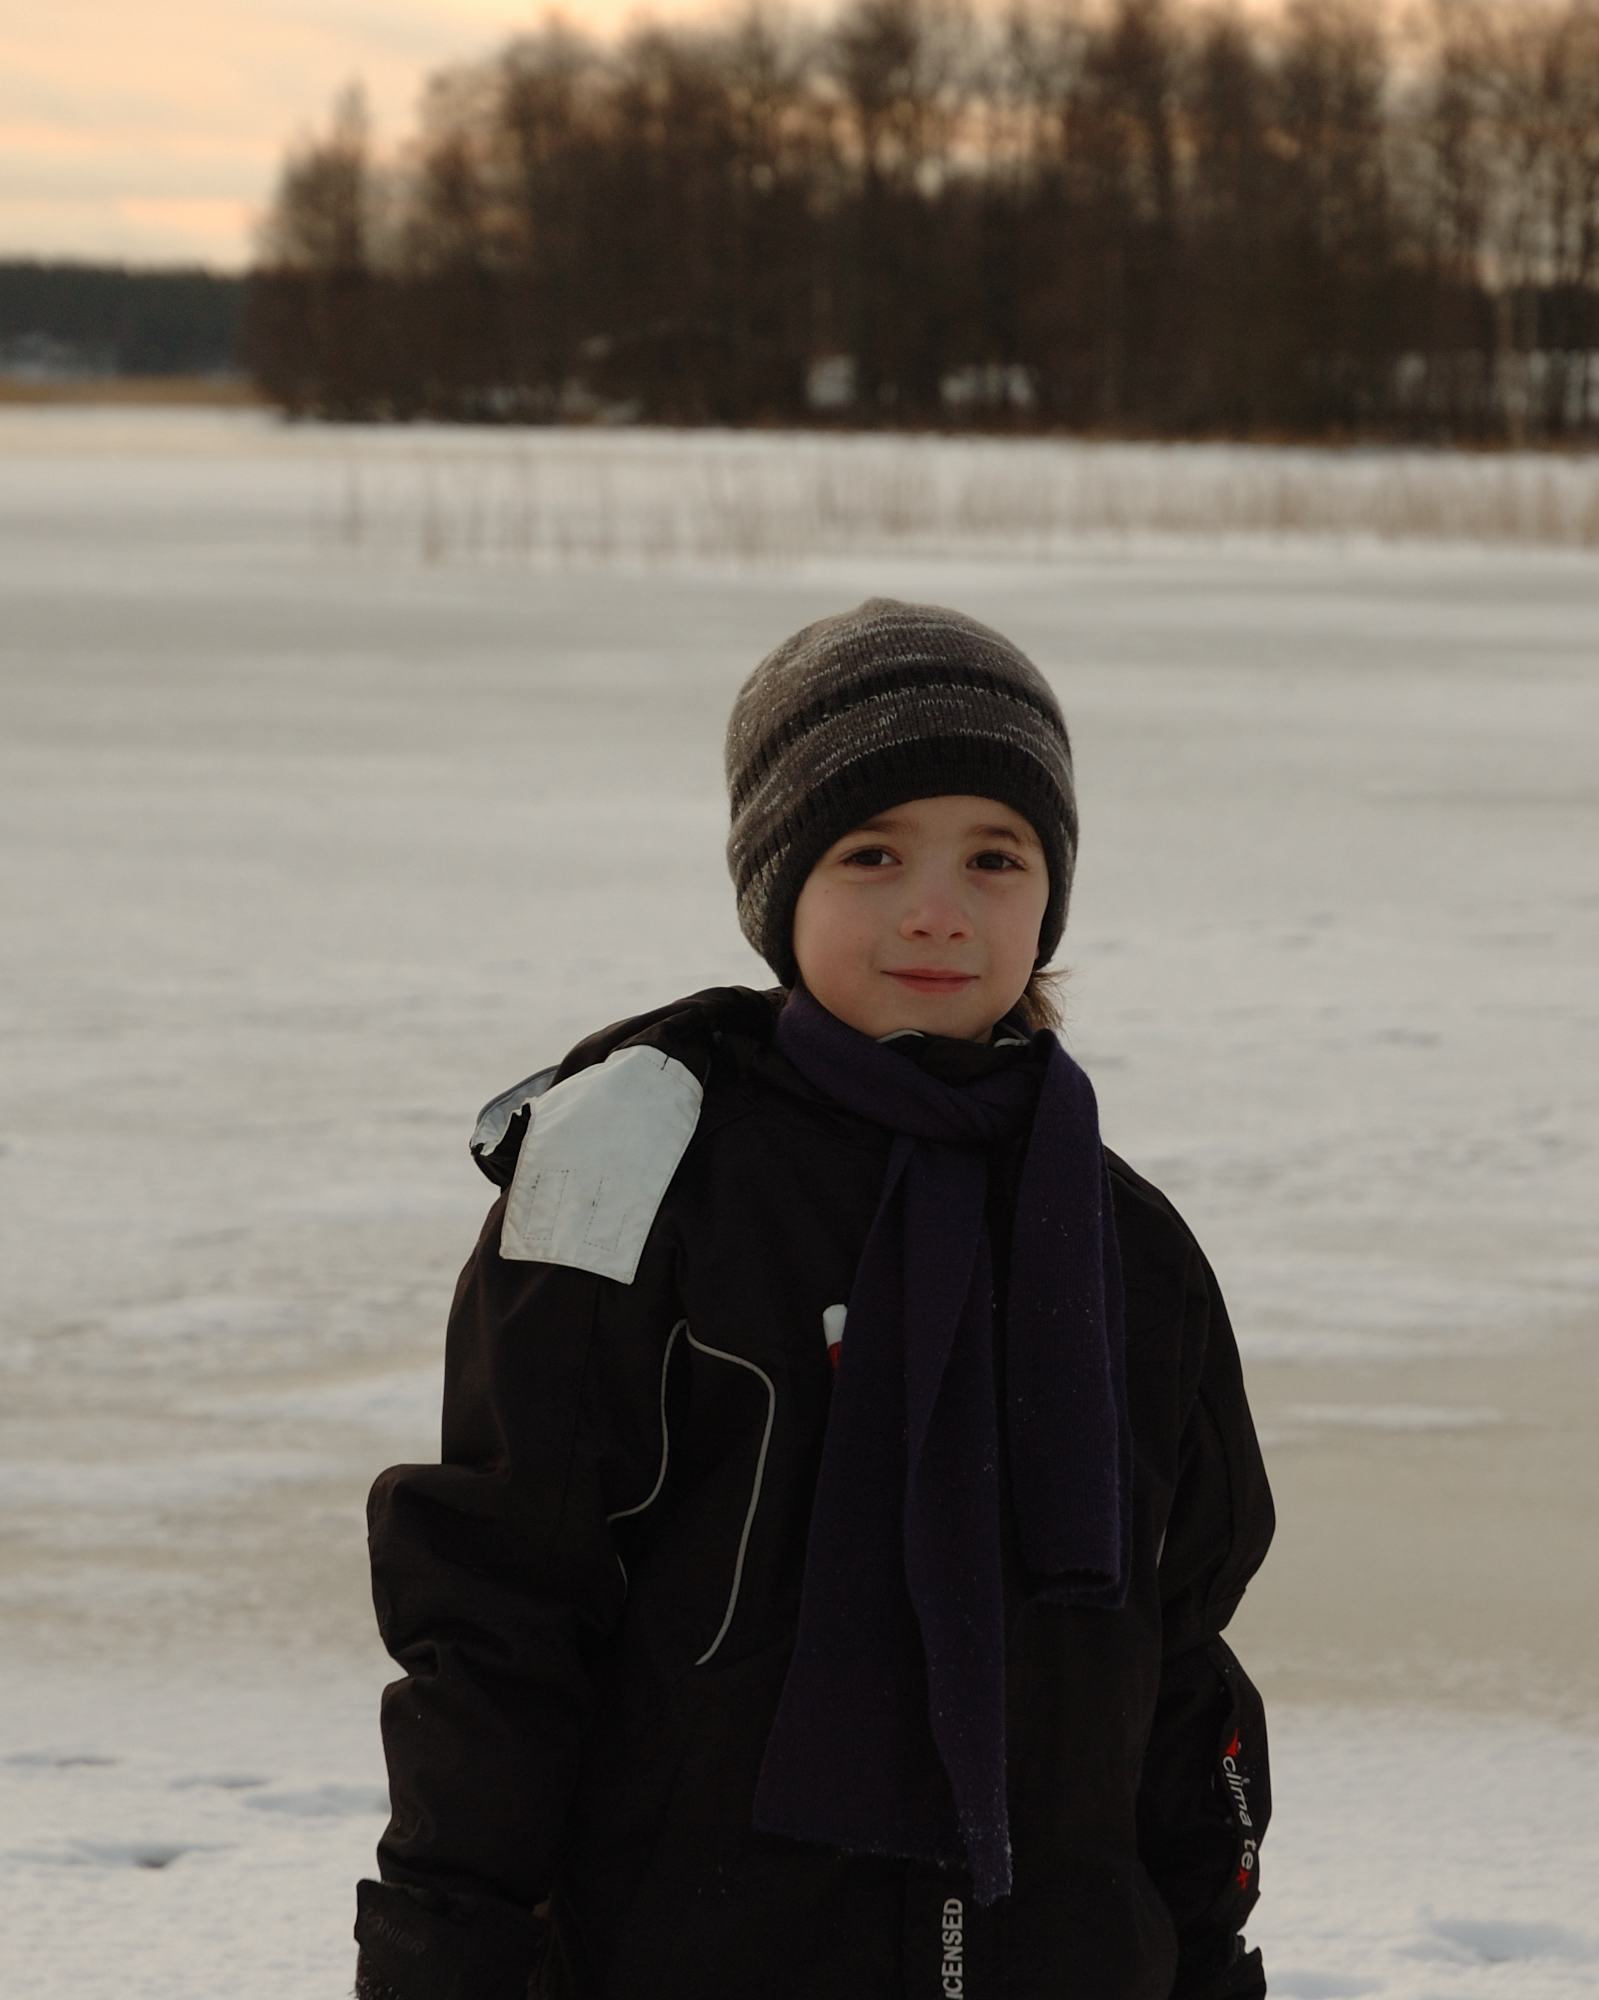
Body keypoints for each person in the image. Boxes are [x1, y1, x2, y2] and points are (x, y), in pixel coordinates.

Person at [354, 598, 1275, 2000]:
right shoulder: (640, 1177)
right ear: (779, 885)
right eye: (872, 853)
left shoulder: (1125, 1247)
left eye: (995, 857)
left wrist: (1209, 1964)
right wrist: (446, 1955)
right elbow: (501, 1609)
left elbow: (1181, 1661)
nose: (937, 908)